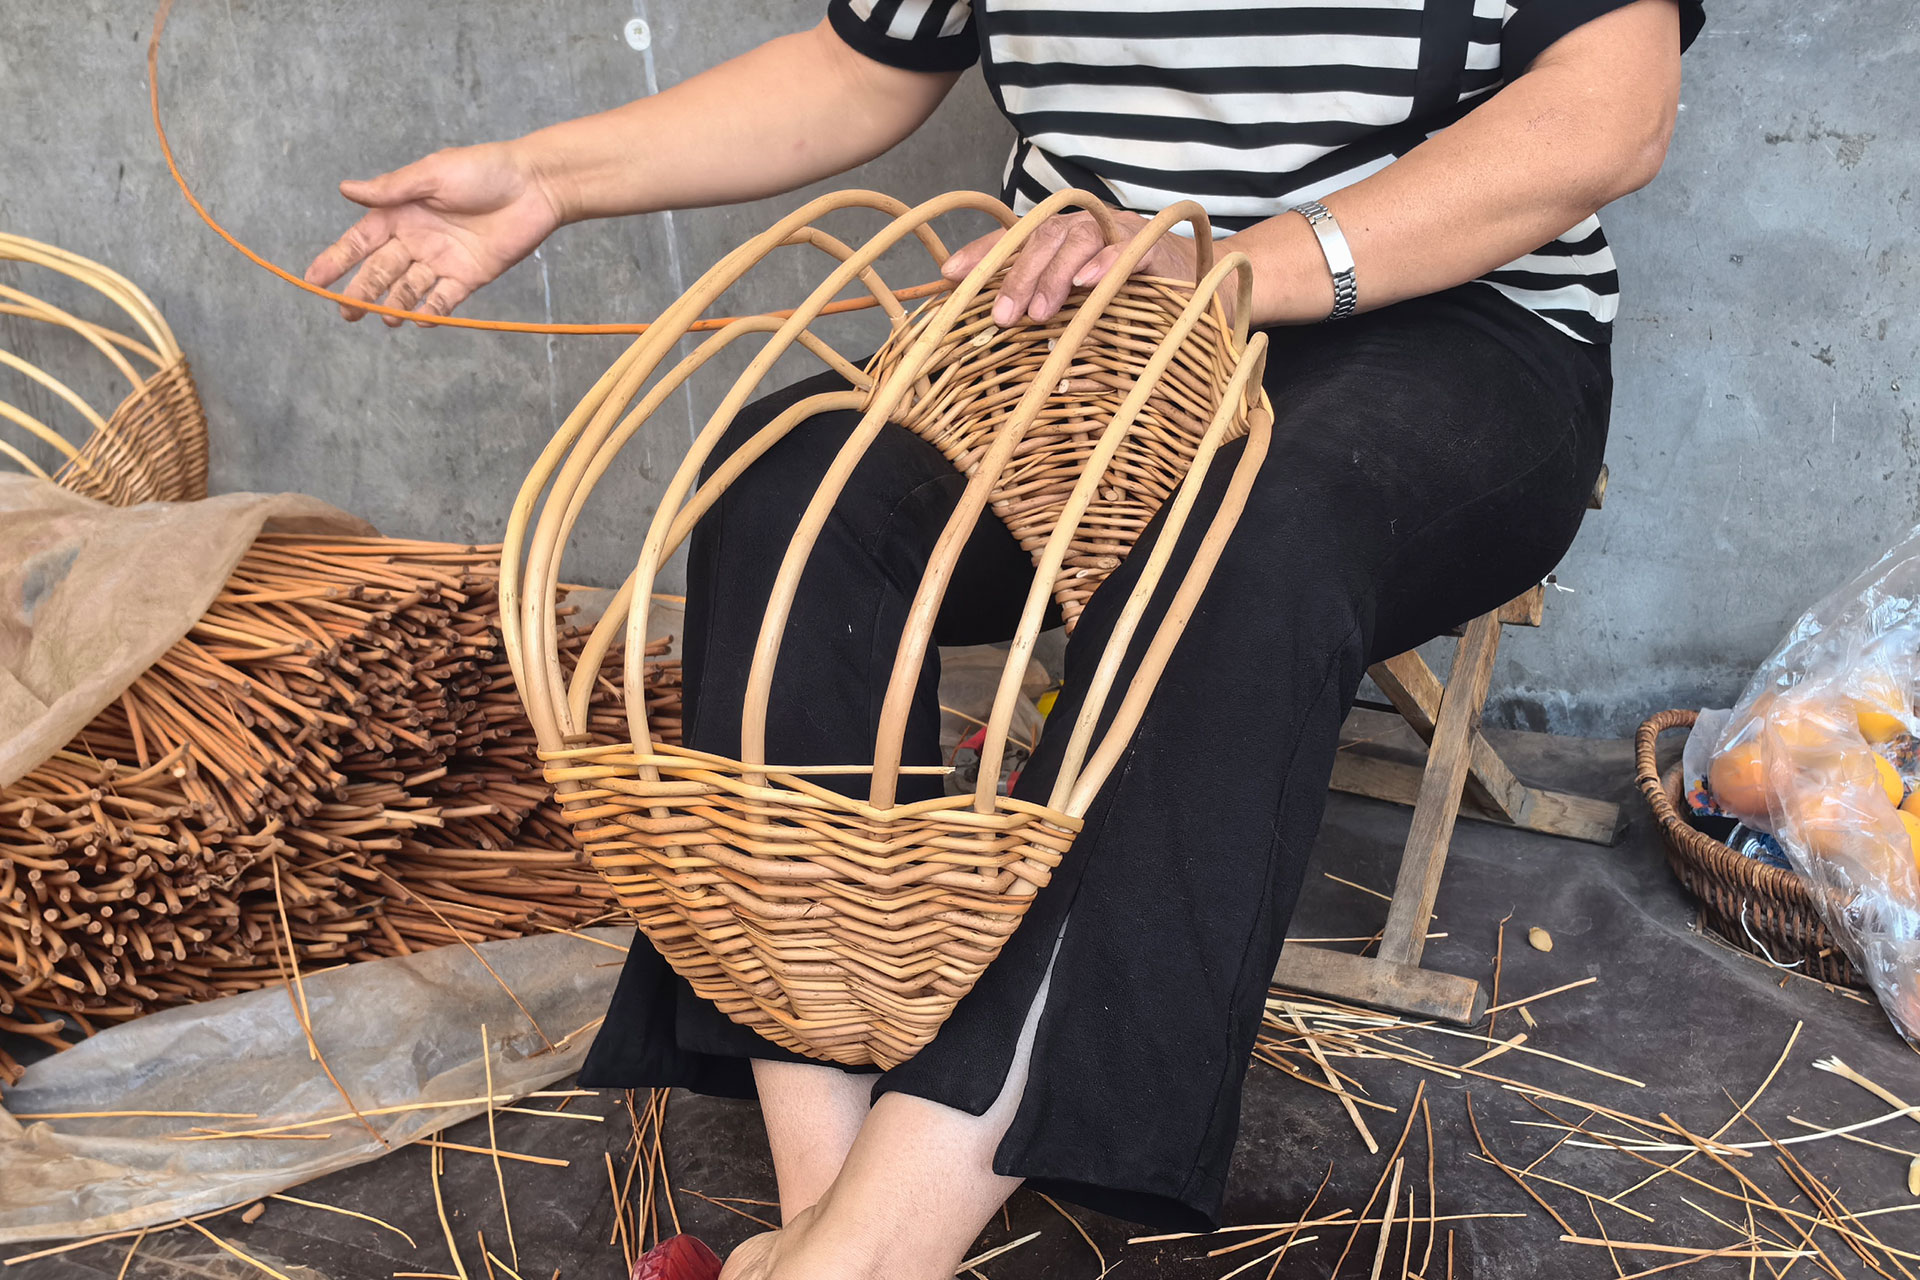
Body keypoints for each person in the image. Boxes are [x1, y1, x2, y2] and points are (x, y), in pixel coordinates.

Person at [309, 2, 1703, 1276]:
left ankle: (871, 1257)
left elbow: (1606, 110)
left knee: (1239, 532)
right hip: (1072, 336)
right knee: (786, 478)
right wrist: (548, 178)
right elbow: (866, 64)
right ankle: (825, 1206)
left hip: (1440, 328)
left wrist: (1237, 270)